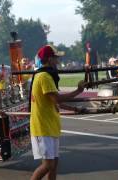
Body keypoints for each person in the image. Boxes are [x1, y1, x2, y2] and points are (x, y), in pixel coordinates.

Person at [30, 45, 87, 180]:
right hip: (43, 127)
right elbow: (57, 99)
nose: (58, 61)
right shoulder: (44, 76)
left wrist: (75, 109)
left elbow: (55, 102)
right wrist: (78, 91)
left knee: (53, 164)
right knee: (48, 165)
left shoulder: (46, 75)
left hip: (49, 126)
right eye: (56, 58)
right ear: (50, 59)